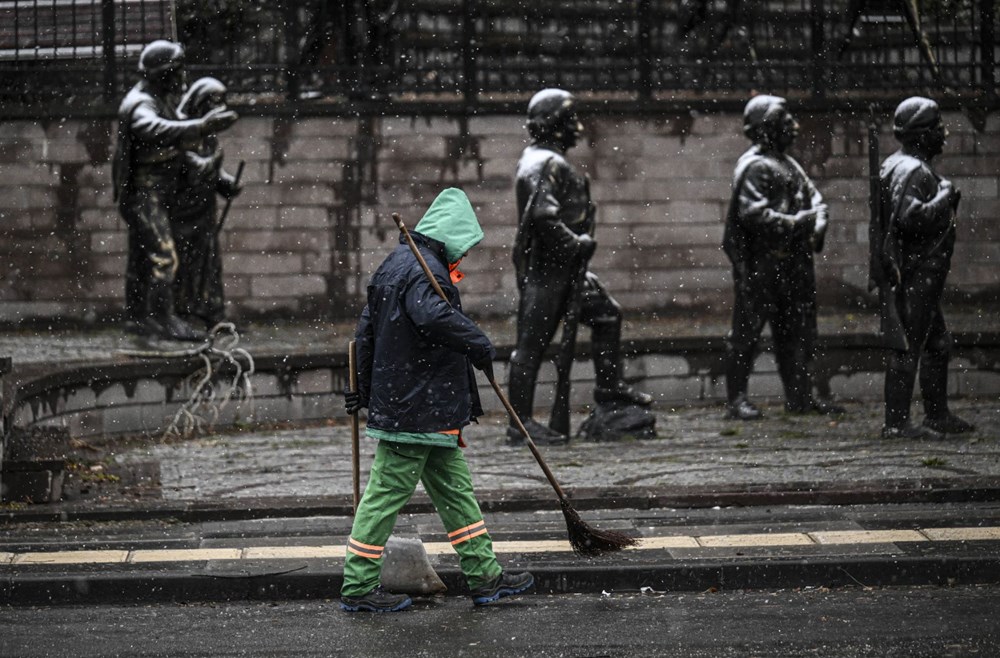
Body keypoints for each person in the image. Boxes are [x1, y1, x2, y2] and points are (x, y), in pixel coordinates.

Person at [341, 188, 534, 613]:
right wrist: (477, 341)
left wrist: (365, 390)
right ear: (452, 236)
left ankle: (485, 576)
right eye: (462, 248)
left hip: (419, 405)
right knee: (385, 494)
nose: (461, 258)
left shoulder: (394, 265)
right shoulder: (425, 268)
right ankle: (357, 586)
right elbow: (431, 316)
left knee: (456, 493)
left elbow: (365, 333)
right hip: (419, 407)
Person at [509, 88, 652, 446]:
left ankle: (608, 391)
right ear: (555, 125)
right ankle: (520, 424)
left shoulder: (545, 160)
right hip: (549, 273)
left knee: (607, 315)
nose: (578, 127)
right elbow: (544, 218)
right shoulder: (543, 163)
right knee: (530, 347)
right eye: (570, 119)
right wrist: (578, 244)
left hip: (568, 271)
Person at [722, 94, 844, 420]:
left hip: (792, 265)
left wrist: (815, 223)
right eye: (785, 119)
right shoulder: (756, 167)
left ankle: (800, 397)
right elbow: (754, 215)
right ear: (766, 128)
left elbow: (816, 201)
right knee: (746, 333)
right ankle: (736, 400)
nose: (793, 125)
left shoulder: (789, 164)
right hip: (762, 265)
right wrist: (798, 223)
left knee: (796, 333)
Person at [112, 40, 237, 341]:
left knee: (143, 259)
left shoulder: (162, 98)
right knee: (164, 256)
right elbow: (156, 129)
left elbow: (181, 138)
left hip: (158, 194)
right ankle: (163, 320)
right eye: (177, 70)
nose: (182, 76)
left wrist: (216, 170)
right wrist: (202, 126)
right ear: (164, 72)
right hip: (143, 193)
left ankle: (139, 320)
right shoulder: (141, 103)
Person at [869, 97, 975, 439]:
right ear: (922, 134)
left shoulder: (901, 165)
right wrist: (946, 195)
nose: (944, 133)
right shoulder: (912, 170)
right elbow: (909, 217)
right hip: (914, 273)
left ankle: (937, 414)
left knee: (936, 344)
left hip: (921, 275)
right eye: (938, 127)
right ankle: (897, 425)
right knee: (907, 347)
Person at [173, 77, 242, 328]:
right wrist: (212, 164)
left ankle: (212, 314)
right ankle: (184, 314)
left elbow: (215, 170)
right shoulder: (181, 128)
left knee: (208, 266)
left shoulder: (208, 135)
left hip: (204, 211)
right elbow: (190, 166)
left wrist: (227, 184)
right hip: (181, 212)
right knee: (183, 266)